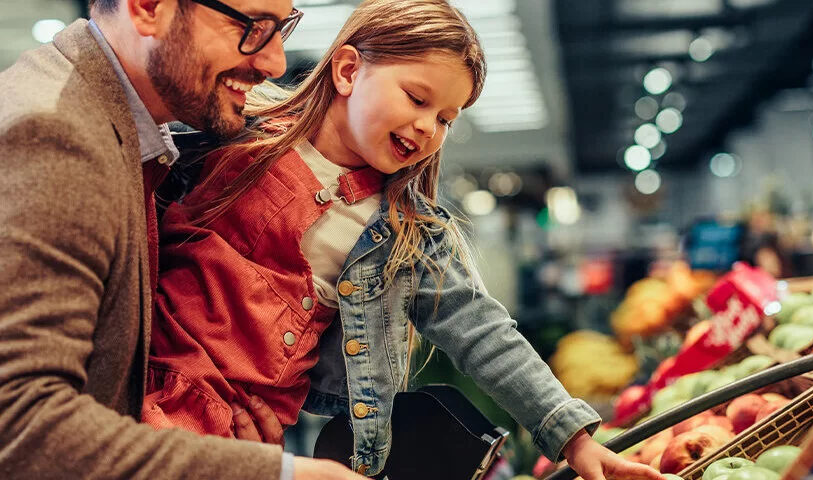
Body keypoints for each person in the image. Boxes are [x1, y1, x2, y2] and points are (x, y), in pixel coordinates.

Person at [0, 0, 365, 478]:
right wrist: (278, 475)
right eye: (251, 27)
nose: (275, 61)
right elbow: (16, 438)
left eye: (282, 27)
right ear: (149, 8)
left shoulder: (109, 127)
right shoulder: (49, 138)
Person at [144, 1, 664, 479]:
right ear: (348, 71)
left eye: (445, 119)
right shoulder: (234, 135)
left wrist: (573, 437)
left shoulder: (408, 233)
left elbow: (483, 331)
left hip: (238, 434)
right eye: (416, 98)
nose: (427, 127)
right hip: (138, 388)